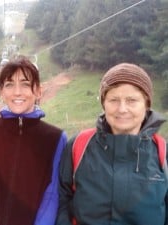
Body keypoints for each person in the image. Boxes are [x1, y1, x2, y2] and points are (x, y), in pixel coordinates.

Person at [56, 63, 168, 225]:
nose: (122, 109)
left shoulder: (162, 152)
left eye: (132, 100)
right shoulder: (79, 145)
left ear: (147, 104)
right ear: (103, 103)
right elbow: (63, 198)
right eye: (114, 100)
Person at [0, 55, 67, 225]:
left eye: (25, 84)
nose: (17, 92)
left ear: (38, 90)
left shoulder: (56, 138)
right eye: (9, 85)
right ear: (1, 91)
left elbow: (52, 194)